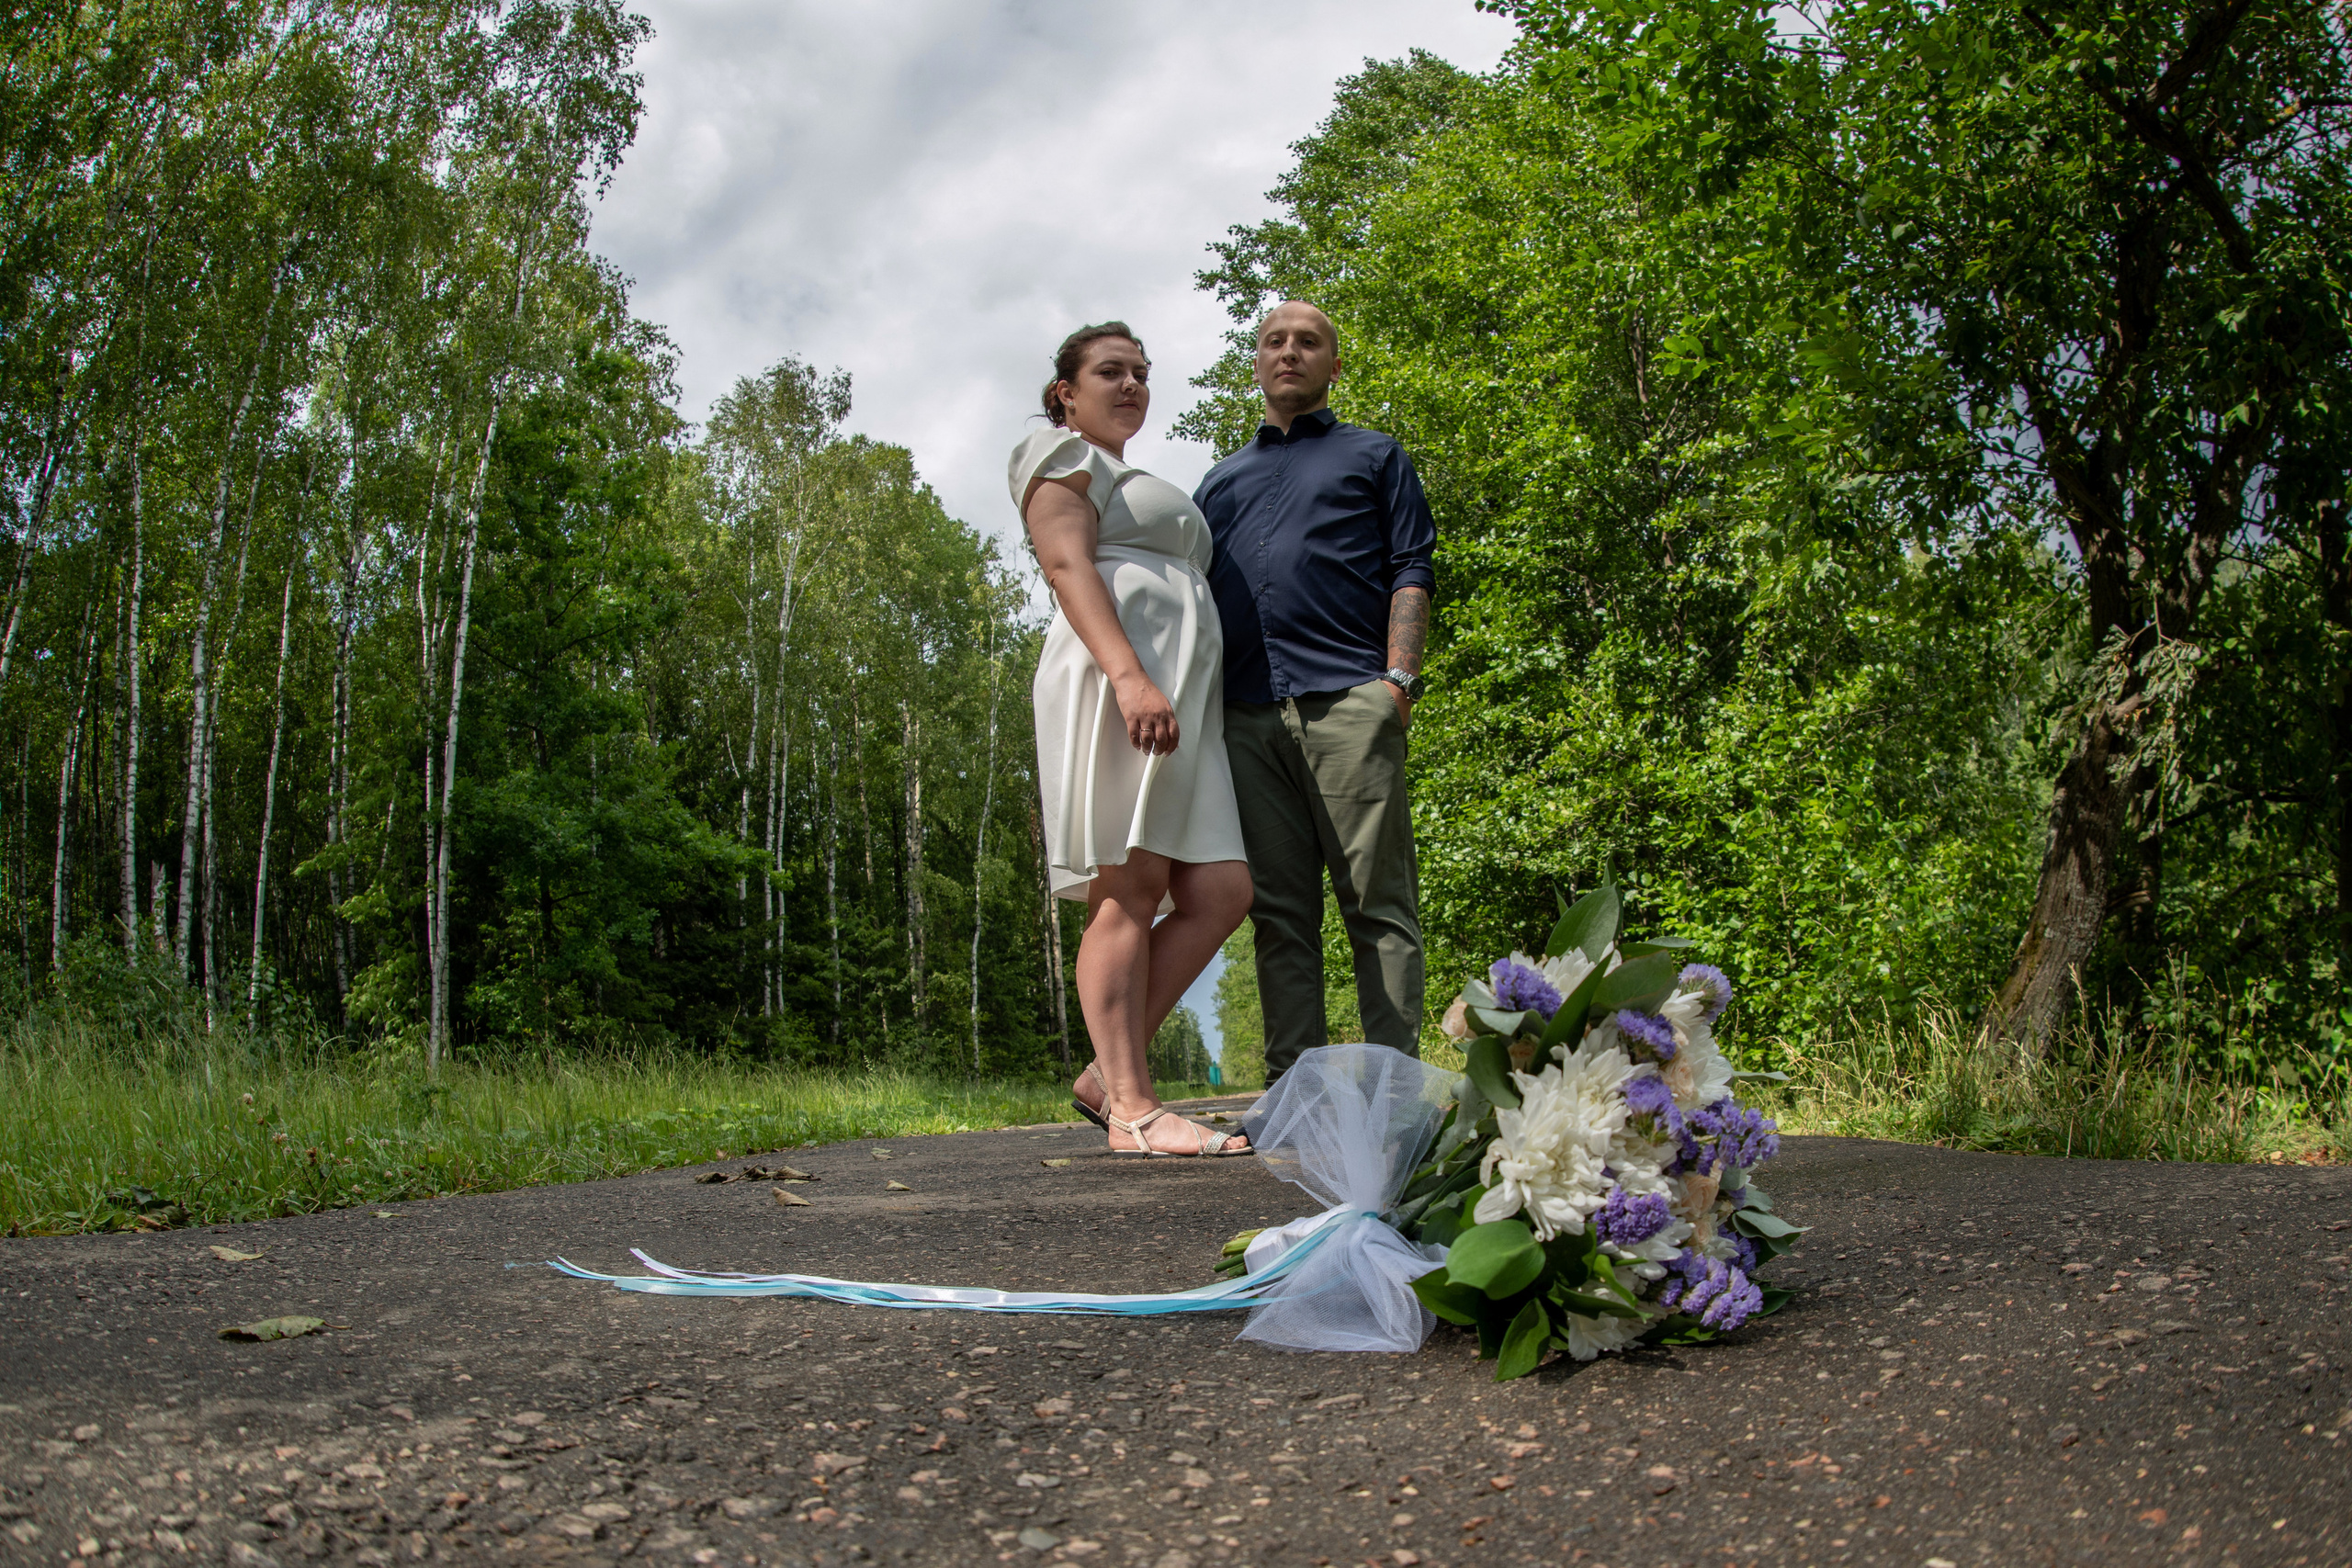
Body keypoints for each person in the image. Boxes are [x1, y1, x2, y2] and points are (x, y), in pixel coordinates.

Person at [1012, 321, 1253, 1156]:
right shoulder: (1058, 454)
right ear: (1065, 393)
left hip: (1183, 704)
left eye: (1142, 373)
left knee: (1222, 890)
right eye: (1110, 371)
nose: (1132, 385)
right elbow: (1069, 567)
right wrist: (1127, 677)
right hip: (1121, 681)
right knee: (1130, 886)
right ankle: (1134, 1109)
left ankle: (1103, 1075)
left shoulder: (1135, 475)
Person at [1193, 300, 1435, 1086]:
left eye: (1308, 342)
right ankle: (1291, 1100)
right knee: (1279, 919)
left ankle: (1395, 1095)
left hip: (1350, 703)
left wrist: (1396, 681)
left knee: (1377, 905)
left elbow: (1412, 565)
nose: (1289, 352)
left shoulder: (1374, 455)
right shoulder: (1219, 481)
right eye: (1274, 342)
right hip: (1246, 716)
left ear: (1335, 365)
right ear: (1257, 364)